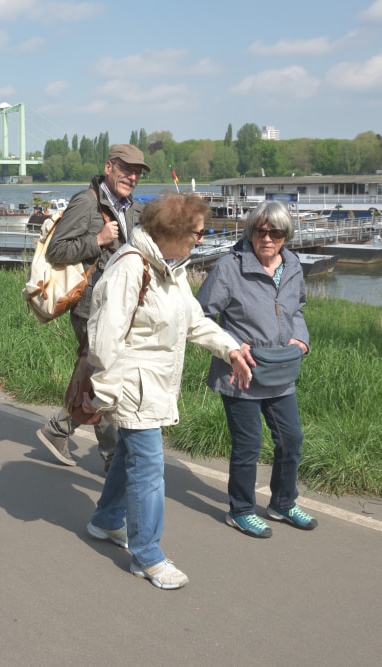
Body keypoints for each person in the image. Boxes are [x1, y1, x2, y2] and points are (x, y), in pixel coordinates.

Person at [81, 193, 253, 589]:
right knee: (149, 471)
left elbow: (194, 320)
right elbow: (104, 339)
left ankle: (106, 520)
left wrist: (230, 349)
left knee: (129, 458)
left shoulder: (170, 268)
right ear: (170, 233)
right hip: (133, 387)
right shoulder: (130, 268)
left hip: (155, 386)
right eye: (196, 231)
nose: (201, 237)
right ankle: (147, 556)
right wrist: (105, 396)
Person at [195, 200, 318, 538]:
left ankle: (282, 502)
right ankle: (241, 509)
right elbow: (199, 316)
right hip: (240, 373)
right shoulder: (228, 268)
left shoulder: (292, 266)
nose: (267, 238)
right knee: (248, 445)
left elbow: (297, 310)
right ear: (250, 232)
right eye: (259, 231)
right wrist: (231, 347)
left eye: (275, 232)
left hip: (280, 371)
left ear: (285, 235)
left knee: (291, 440)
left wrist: (301, 340)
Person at [37, 143, 149, 470]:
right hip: (91, 307)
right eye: (126, 169)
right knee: (105, 374)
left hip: (120, 305)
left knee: (101, 376)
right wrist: (97, 240)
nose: (132, 176)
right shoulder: (86, 202)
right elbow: (56, 250)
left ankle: (59, 429)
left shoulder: (130, 207)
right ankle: (112, 459)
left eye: (137, 172)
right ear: (109, 167)